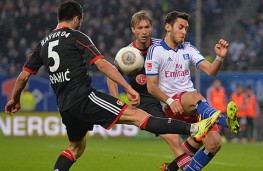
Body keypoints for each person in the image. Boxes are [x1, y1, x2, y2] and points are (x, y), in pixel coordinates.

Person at [4, 2, 220, 171]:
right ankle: (193, 129)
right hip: (85, 98)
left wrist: (15, 99)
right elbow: (103, 65)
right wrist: (128, 88)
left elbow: (23, 76)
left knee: (76, 149)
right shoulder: (78, 36)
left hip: (65, 106)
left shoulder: (43, 43)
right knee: (138, 117)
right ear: (77, 18)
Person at [145, 11, 240, 171]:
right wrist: (170, 101)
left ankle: (175, 168)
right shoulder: (156, 51)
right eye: (180, 27)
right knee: (196, 96)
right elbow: (151, 86)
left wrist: (219, 58)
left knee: (214, 144)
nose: (184, 31)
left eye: (186, 28)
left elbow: (210, 71)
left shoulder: (188, 48)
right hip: (174, 105)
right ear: (168, 27)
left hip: (196, 107)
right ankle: (226, 122)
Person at [107, 10, 193, 171]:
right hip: (147, 102)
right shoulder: (127, 54)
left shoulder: (161, 46)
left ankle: (172, 168)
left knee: (195, 134)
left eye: (147, 27)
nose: (144, 31)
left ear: (152, 28)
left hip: (167, 95)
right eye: (139, 28)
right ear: (133, 29)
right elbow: (111, 75)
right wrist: (116, 100)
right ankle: (189, 168)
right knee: (173, 136)